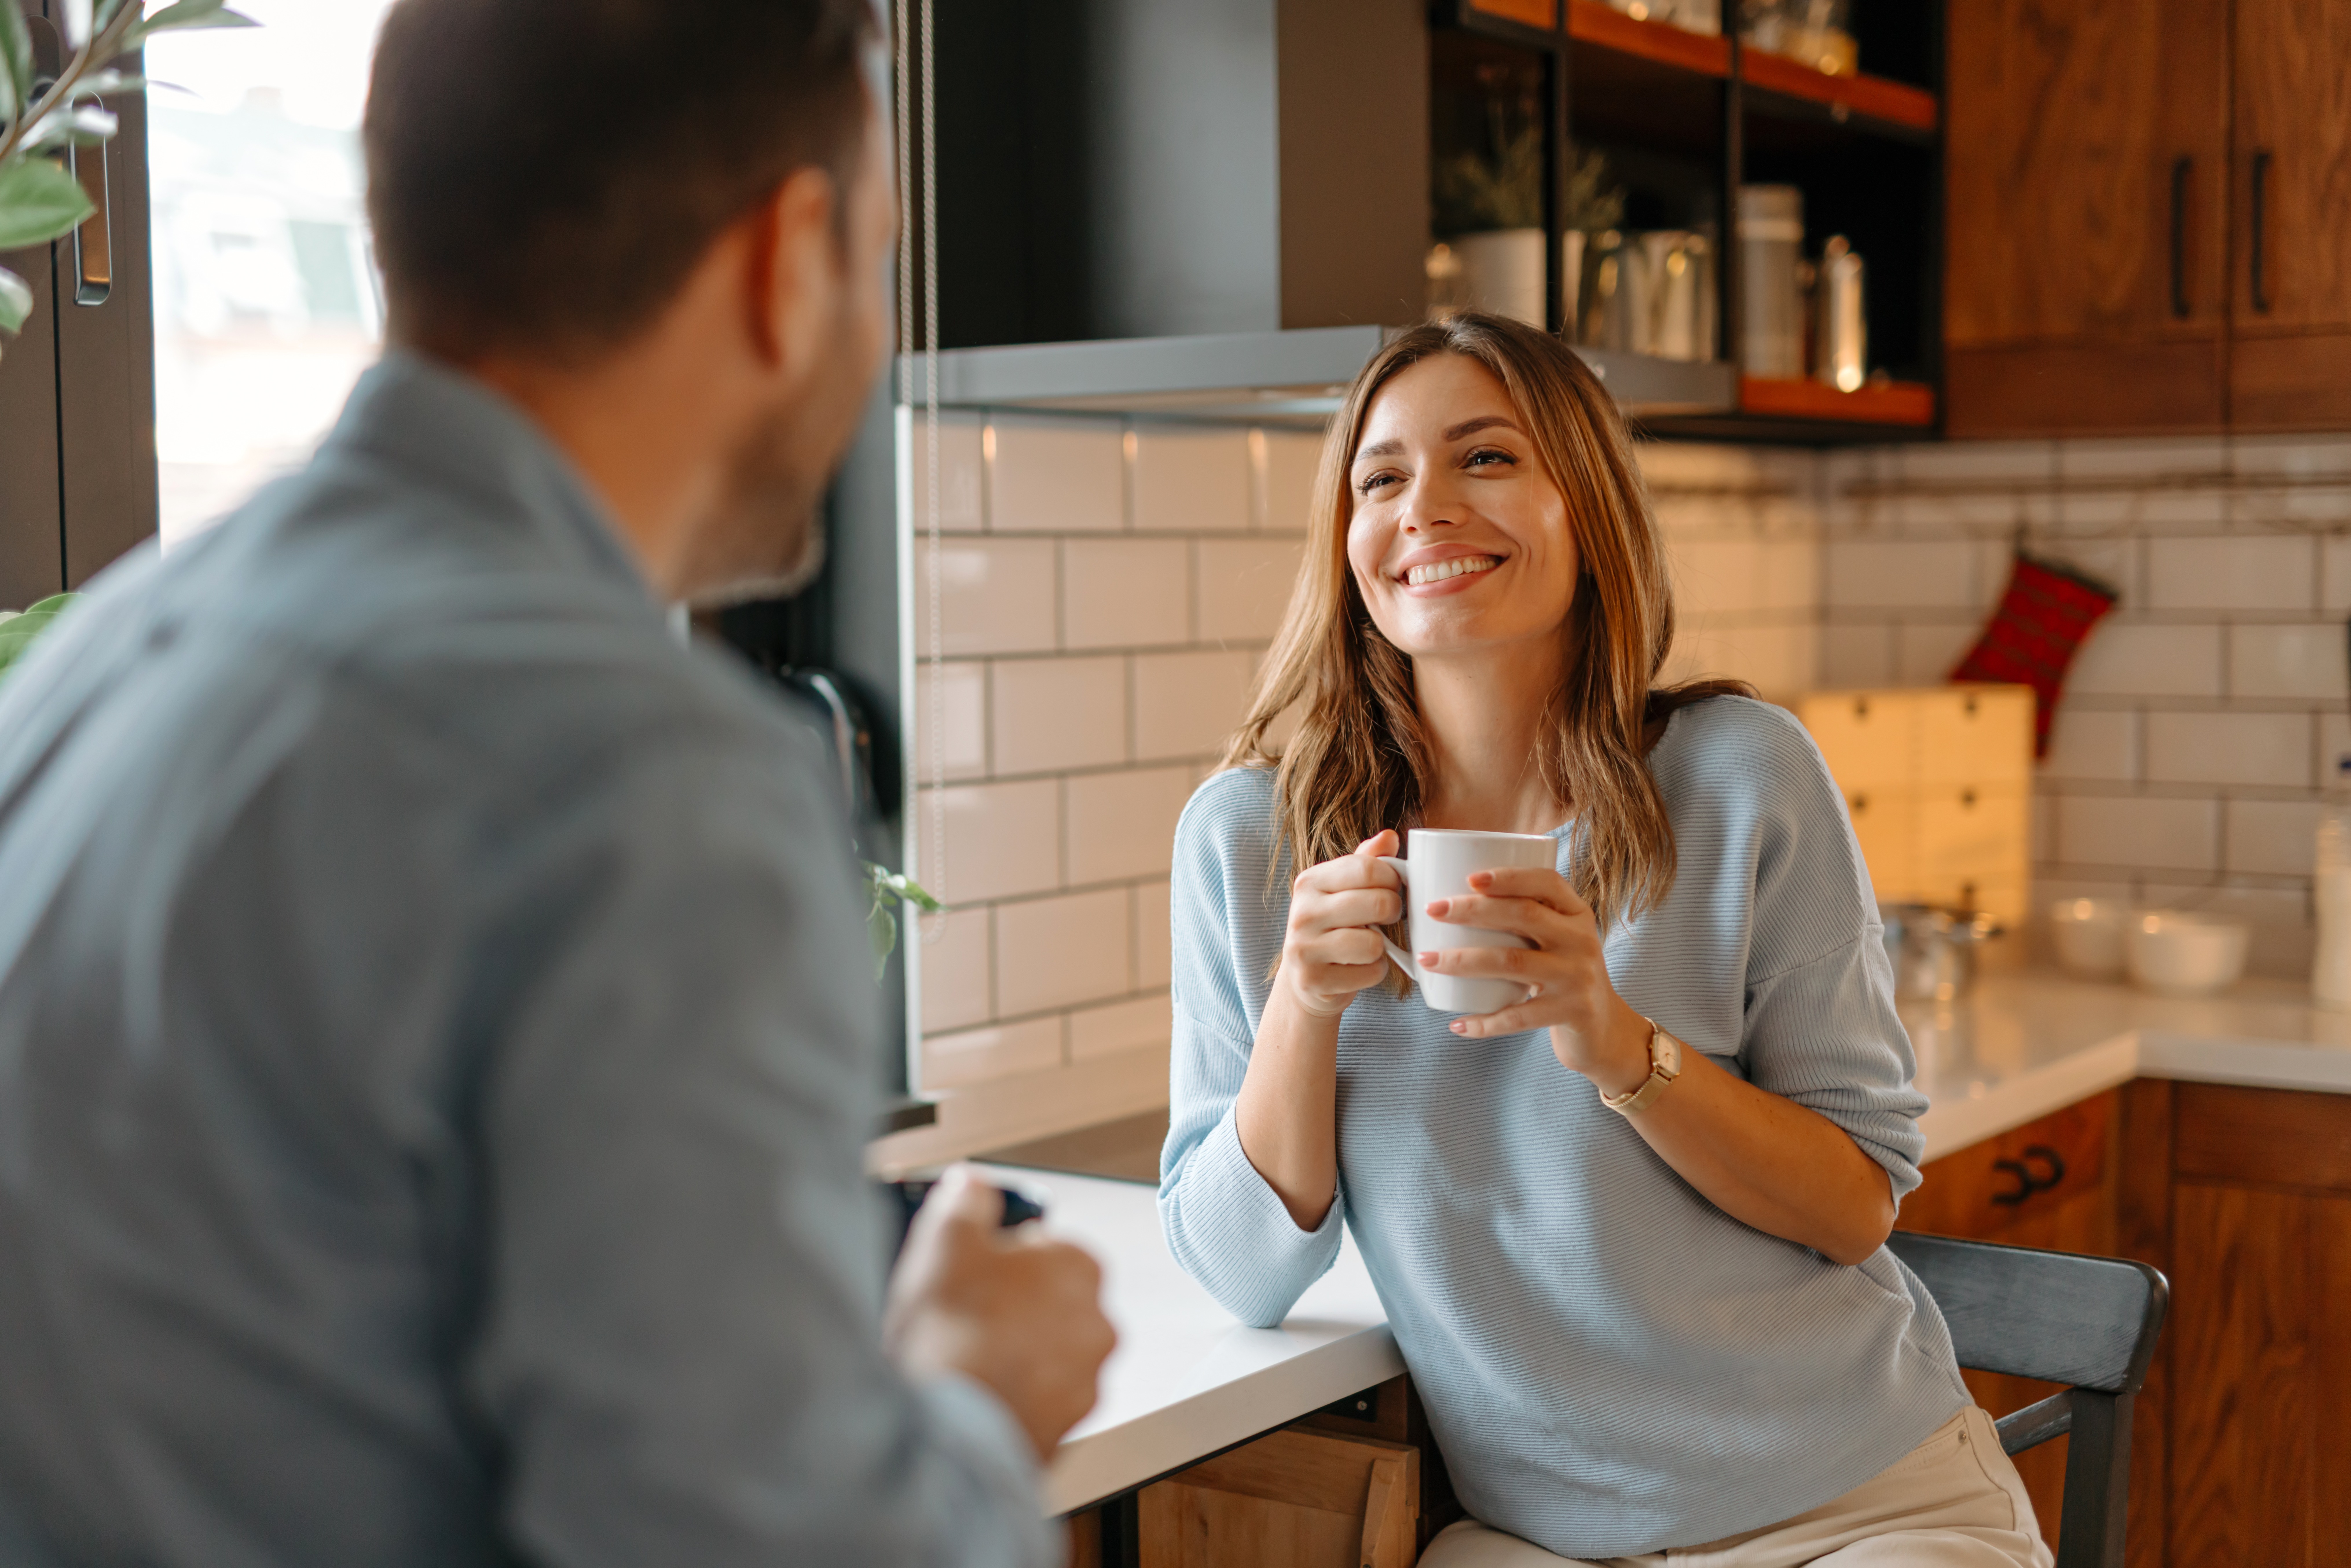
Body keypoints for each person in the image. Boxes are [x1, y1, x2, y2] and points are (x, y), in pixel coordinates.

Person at [0, 2, 1112, 1565]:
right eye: (877, 255)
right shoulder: (647, 776)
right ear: (786, 260)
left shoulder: (91, 670)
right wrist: (976, 1402)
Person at [1159, 313, 2052, 1568]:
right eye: (1382, 476)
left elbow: (1857, 1205)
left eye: (1485, 458)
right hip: (1544, 1539)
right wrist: (1302, 1008)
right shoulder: (1252, 840)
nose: (1425, 508)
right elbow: (1238, 1273)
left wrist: (1621, 1044)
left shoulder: (1743, 775)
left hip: (1857, 1502)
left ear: (1590, 508)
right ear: (1347, 535)